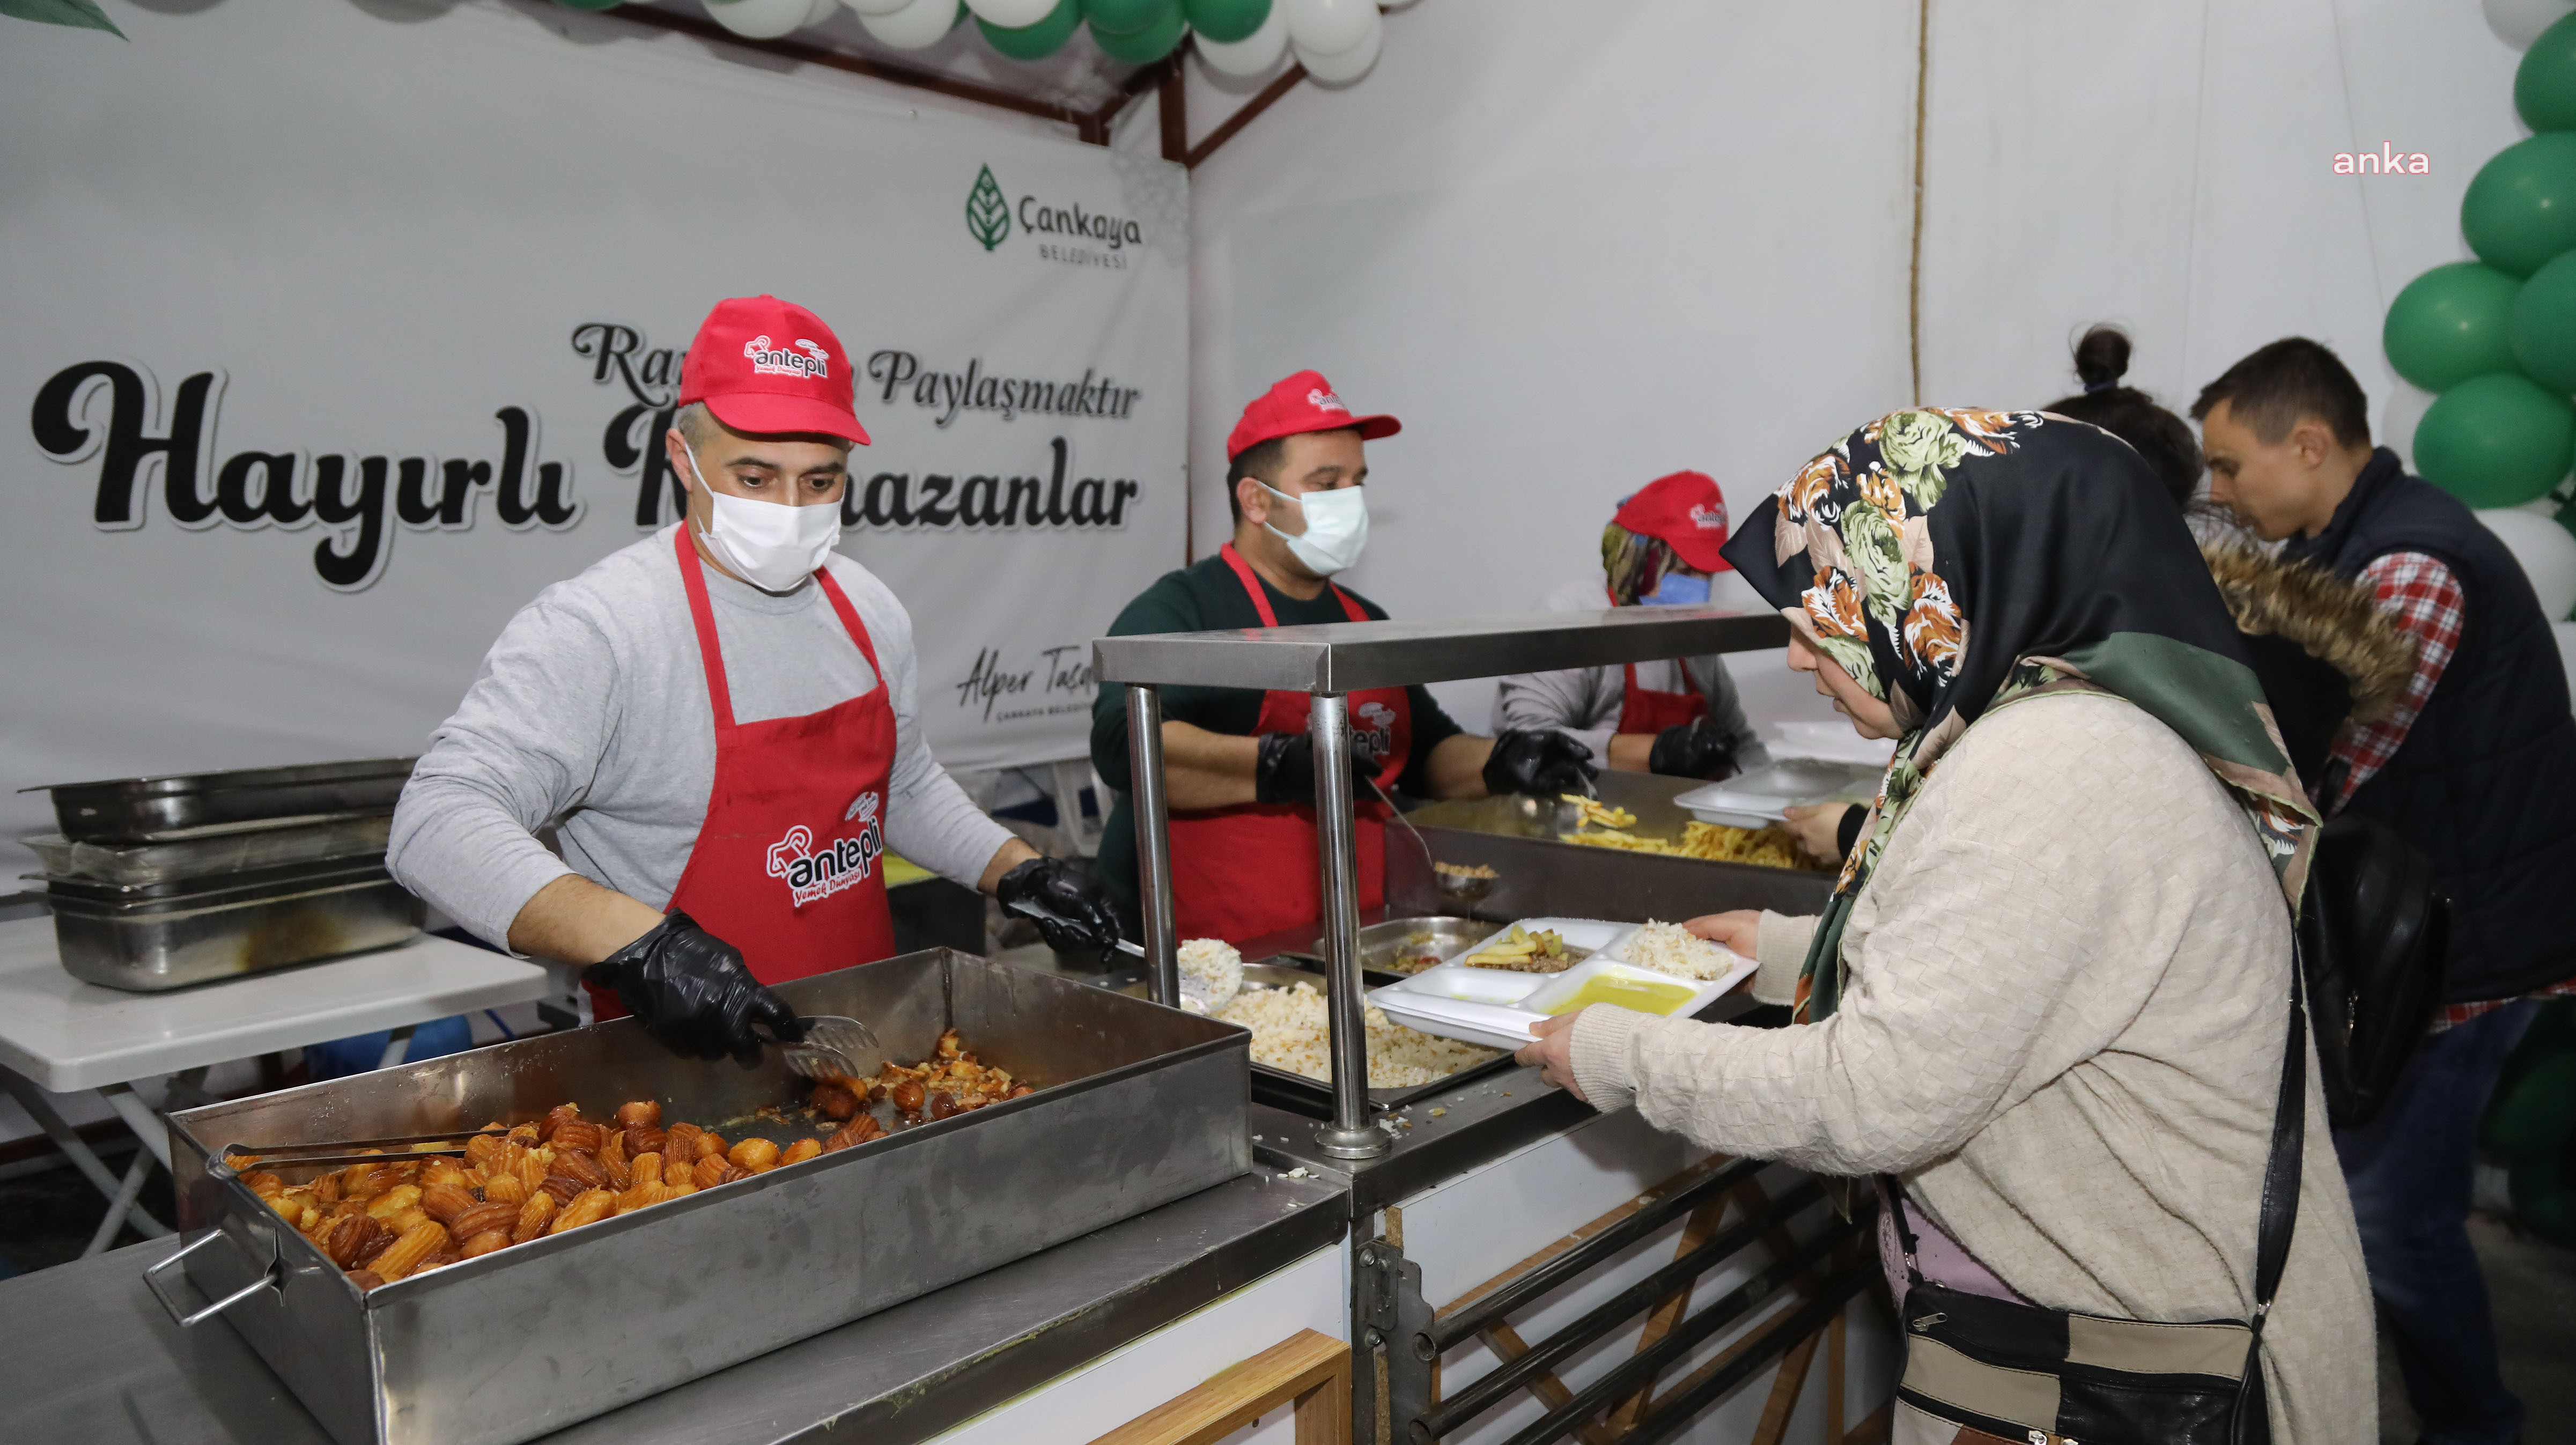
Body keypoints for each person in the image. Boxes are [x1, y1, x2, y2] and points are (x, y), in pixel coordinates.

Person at [1517, 409, 2372, 1442]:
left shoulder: (2048, 766)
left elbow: (1876, 1095)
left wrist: (1619, 1048)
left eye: (1824, 611)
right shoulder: (2056, 721)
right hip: (2081, 1337)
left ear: (1932, 593)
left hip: (2113, 1376)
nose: (1795, 655)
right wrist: (1786, 946)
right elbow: (2023, 974)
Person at [389, 295, 1123, 1066]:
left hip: (860, 1049)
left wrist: (1018, 871)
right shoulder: (602, 626)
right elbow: (437, 818)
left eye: (819, 482)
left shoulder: (866, 608)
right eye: (754, 475)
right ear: (681, 458)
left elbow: (900, 788)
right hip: (671, 1073)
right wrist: (643, 947)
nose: (788, 509)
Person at [2197, 336, 2576, 1445]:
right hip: (2449, 921)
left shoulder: (2407, 566)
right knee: (2378, 1212)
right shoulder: (2362, 543)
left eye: (2229, 467)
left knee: (2389, 1220)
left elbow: (2331, 768)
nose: (2219, 493)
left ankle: (2476, 1430)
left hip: (2467, 942)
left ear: (2306, 443)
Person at [1089, 371, 1596, 945]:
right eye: (1326, 484)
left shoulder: (1363, 620)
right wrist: (1276, 766)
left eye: (1357, 482)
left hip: (1356, 928)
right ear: (1256, 500)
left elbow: (1427, 750)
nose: (1350, 501)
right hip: (1217, 947)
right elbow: (1122, 743)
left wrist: (1504, 759)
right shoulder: (1183, 609)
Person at [1492, 470, 1769, 780]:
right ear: (1639, 557)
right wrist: (1655, 752)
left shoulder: (1692, 638)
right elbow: (1529, 741)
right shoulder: (1568, 616)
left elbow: (1741, 745)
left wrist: (1775, 798)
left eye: (1708, 574)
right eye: (1685, 571)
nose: (1700, 589)